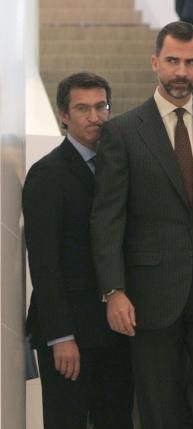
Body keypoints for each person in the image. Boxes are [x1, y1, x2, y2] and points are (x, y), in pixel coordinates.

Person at [90, 21, 193, 429]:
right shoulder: (122, 132)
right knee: (159, 406)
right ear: (154, 63)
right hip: (149, 293)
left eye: (189, 62)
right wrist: (113, 290)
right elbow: (108, 216)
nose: (180, 72)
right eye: (171, 61)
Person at [23, 72, 133, 429]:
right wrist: (61, 336)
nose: (95, 117)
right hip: (69, 335)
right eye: (82, 108)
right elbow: (44, 262)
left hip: (115, 332)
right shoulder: (47, 174)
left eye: (101, 106)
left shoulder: (118, 168)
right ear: (63, 116)